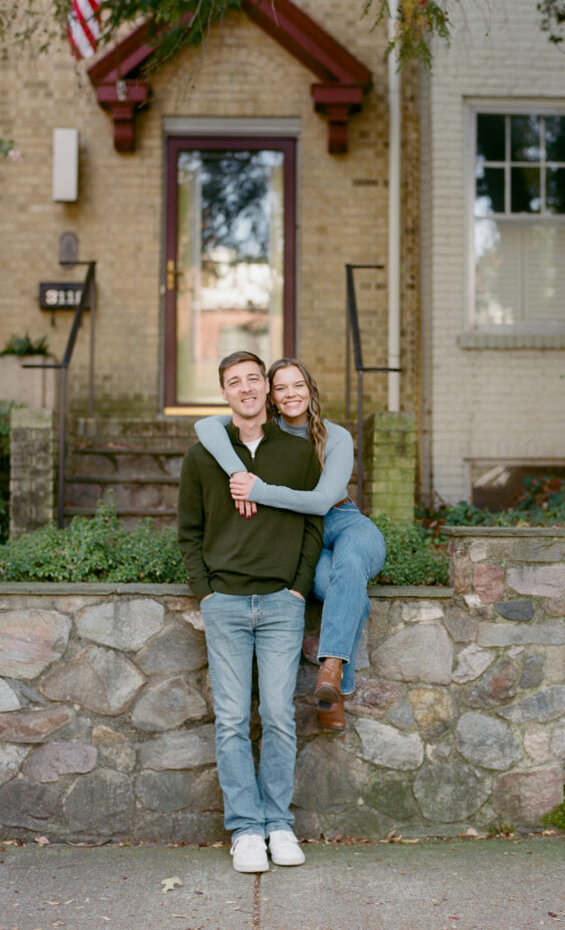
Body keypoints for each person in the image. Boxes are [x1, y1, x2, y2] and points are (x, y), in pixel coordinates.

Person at [178, 351, 323, 874]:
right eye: (233, 382)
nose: (245, 388)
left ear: (266, 388)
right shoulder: (202, 458)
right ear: (225, 394)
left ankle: (279, 824)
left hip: (283, 604)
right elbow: (189, 533)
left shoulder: (298, 452)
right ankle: (245, 829)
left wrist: (299, 589)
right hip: (227, 604)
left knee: (281, 717)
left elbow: (314, 525)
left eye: (253, 379)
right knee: (233, 720)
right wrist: (206, 594)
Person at [194, 357, 386, 733]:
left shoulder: (336, 436)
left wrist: (258, 490)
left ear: (310, 389)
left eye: (297, 385)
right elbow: (204, 425)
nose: (290, 394)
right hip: (300, 531)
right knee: (337, 587)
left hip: (344, 521)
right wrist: (238, 470)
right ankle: (337, 687)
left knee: (350, 563)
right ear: (271, 395)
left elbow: (319, 501)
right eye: (280, 388)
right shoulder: (267, 432)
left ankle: (333, 676)